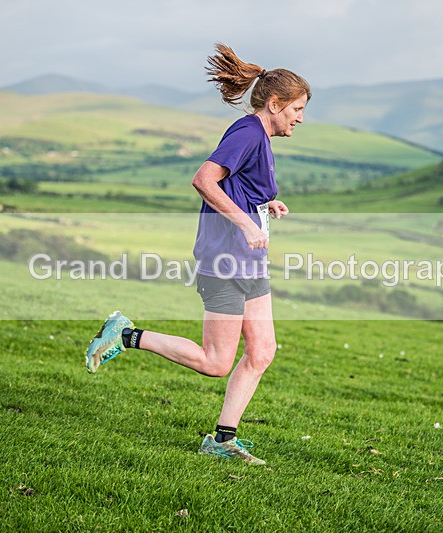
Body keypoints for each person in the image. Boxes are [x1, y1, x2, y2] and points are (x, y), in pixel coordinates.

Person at [85, 43, 311, 466]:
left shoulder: (258, 137)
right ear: (276, 104)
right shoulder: (247, 133)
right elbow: (205, 180)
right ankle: (125, 333)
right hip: (224, 260)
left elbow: (239, 189)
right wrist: (245, 223)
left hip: (249, 262)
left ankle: (223, 440)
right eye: (297, 108)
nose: (300, 117)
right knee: (215, 362)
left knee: (262, 351)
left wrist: (264, 207)